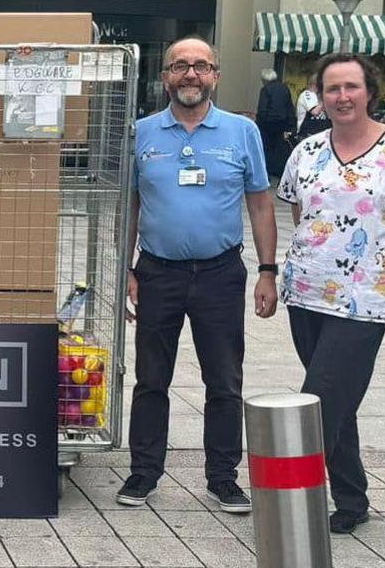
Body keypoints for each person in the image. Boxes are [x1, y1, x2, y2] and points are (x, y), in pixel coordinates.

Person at [274, 53, 385, 534]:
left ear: (370, 91)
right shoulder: (306, 151)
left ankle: (290, 504)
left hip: (364, 301)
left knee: (318, 401)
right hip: (306, 293)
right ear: (320, 96)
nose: (342, 97)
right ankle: (351, 497)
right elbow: (299, 213)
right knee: (336, 400)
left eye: (351, 87)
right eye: (332, 89)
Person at [119, 37, 280, 512]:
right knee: (151, 378)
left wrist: (267, 270)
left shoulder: (241, 132)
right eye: (180, 66)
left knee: (225, 380)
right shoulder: (141, 132)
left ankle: (223, 477)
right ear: (164, 76)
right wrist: (126, 269)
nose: (190, 75)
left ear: (216, 76)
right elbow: (130, 204)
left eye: (201, 67)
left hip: (220, 273)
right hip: (157, 273)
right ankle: (143, 472)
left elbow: (260, 202)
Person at [255, 67, 295, 180]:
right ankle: (279, 173)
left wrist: (258, 124)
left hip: (267, 124)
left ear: (264, 79)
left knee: (265, 149)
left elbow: (262, 109)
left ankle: (266, 174)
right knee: (279, 149)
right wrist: (291, 126)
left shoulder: (265, 90)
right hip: (282, 124)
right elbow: (289, 108)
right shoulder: (284, 88)